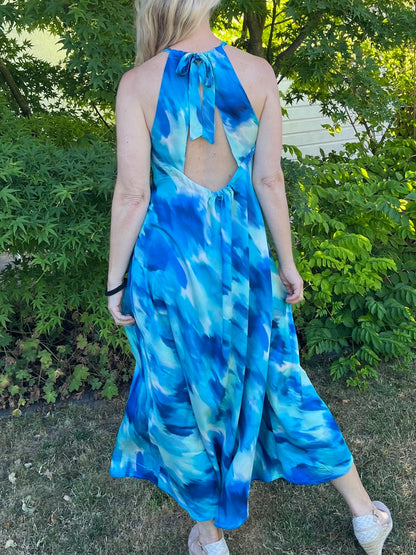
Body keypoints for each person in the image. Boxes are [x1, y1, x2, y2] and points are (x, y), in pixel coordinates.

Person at [106, 1, 393, 553]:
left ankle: (211, 538)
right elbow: (269, 180)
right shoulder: (257, 73)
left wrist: (116, 281)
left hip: (173, 273)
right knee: (282, 380)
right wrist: (287, 263)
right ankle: (364, 514)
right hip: (246, 266)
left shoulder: (138, 84)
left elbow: (133, 194)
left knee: (180, 394)